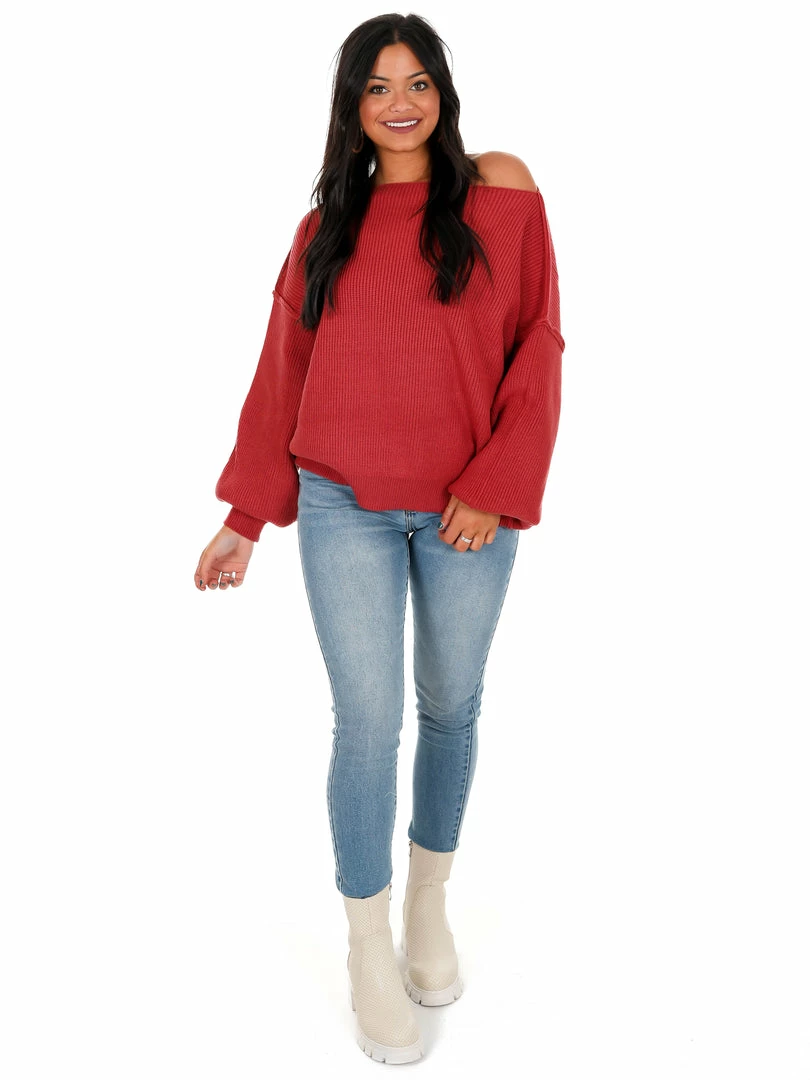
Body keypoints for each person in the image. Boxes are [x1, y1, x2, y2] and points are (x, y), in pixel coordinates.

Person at [194, 12, 565, 1065]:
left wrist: (496, 485)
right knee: (366, 725)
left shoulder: (503, 190)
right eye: (376, 87)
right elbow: (285, 371)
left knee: (451, 708)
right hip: (341, 504)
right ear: (352, 108)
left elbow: (539, 341)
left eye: (416, 82)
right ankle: (367, 945)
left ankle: (428, 905)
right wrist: (244, 517)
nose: (399, 103)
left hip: (467, 510)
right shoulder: (327, 227)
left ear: (442, 91)